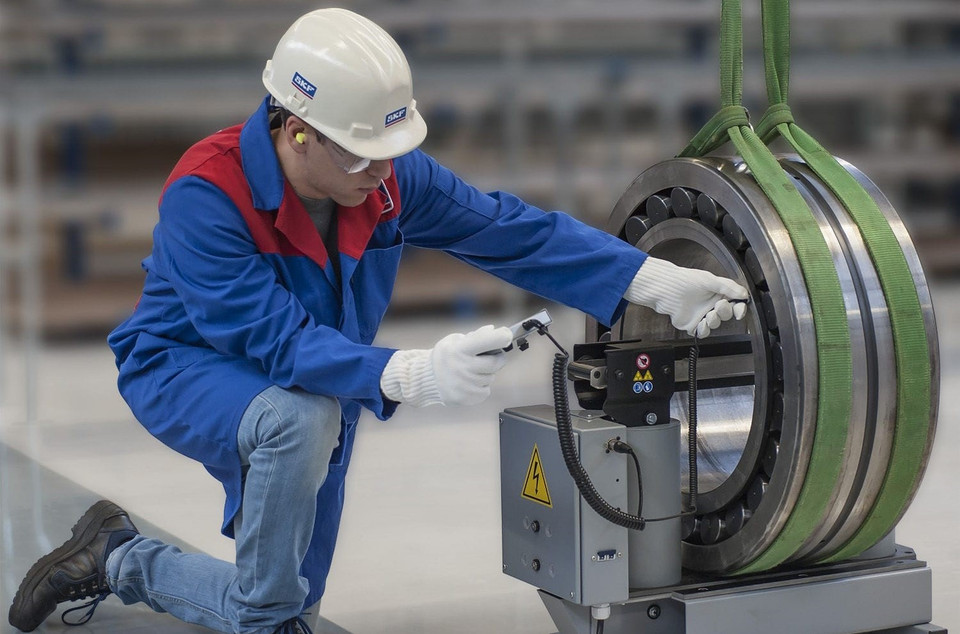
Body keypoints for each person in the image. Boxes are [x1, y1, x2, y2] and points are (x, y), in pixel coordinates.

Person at [8, 8, 748, 634]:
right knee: (295, 447)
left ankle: (115, 553)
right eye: (366, 154)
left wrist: (649, 280)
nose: (384, 174)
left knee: (296, 583)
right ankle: (209, 593)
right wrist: (410, 373)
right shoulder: (208, 195)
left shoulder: (382, 179)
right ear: (296, 130)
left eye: (395, 152)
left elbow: (507, 230)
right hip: (184, 365)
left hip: (323, 385)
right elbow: (274, 342)